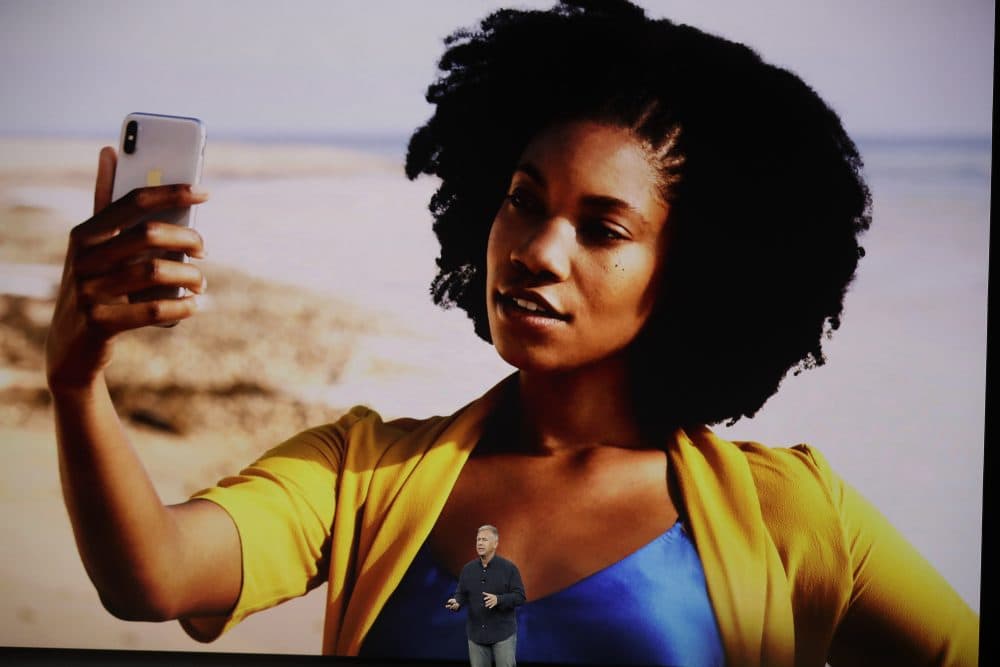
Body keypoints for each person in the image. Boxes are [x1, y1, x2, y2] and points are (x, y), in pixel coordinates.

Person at [44, 1, 979, 665]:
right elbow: (154, 578)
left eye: (602, 228)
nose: (535, 249)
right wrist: (79, 378)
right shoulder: (362, 474)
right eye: (523, 201)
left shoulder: (793, 515)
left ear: (691, 271)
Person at [443, 525, 525, 667]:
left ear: (495, 544)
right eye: (478, 540)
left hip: (502, 634)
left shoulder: (509, 568)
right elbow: (461, 593)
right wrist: (456, 602)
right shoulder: (468, 569)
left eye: (484, 540)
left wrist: (499, 600)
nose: (480, 543)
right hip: (476, 635)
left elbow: (520, 597)